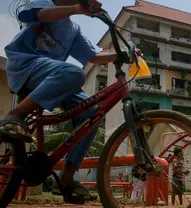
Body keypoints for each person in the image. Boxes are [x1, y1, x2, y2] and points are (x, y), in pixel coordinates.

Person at [0, 0, 135, 203]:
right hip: (25, 66)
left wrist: (122, 54)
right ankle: (14, 115)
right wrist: (76, 10)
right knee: (73, 72)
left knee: (93, 113)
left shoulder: (73, 29)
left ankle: (67, 177)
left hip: (52, 76)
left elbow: (93, 56)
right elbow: (42, 15)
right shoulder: (44, 3)